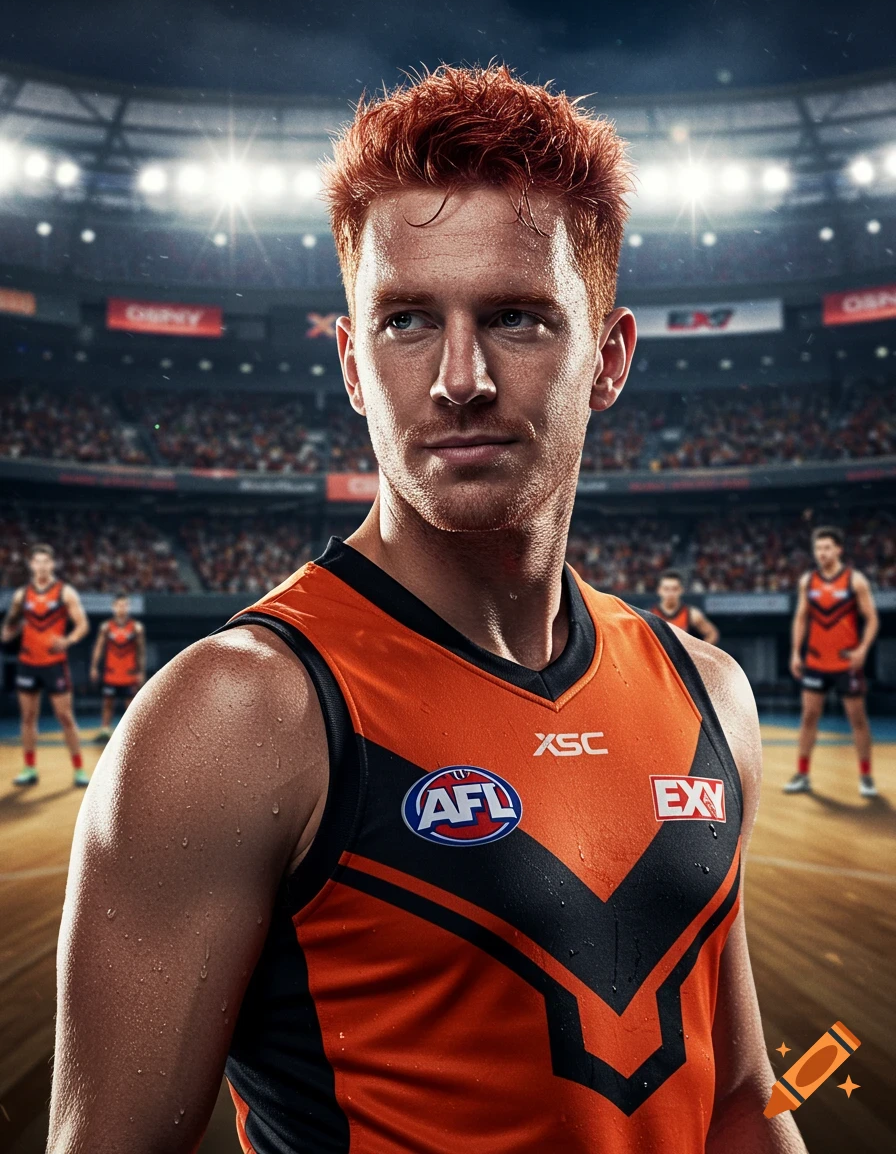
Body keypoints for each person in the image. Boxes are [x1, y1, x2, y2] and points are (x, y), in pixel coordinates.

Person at [50, 67, 804, 1154]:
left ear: (608, 360)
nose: (458, 377)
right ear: (353, 364)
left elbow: (739, 1100)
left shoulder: (708, 695)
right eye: (405, 320)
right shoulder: (238, 717)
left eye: (515, 317)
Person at [785, 525, 879, 798]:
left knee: (857, 719)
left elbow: (872, 619)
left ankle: (866, 777)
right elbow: (801, 618)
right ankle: (802, 774)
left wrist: (862, 650)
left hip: (846, 663)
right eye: (818, 548)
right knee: (808, 717)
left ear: (838, 549)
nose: (822, 553)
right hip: (815, 661)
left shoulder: (855, 581)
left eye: (827, 547)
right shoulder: (808, 581)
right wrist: (795, 652)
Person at [1, 543, 90, 787]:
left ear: (52, 564)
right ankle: (29, 768)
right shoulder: (21, 595)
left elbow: (82, 625)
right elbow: (8, 631)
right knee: (28, 717)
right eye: (37, 561)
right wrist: (10, 630)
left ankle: (79, 770)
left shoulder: (65, 592)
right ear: (31, 565)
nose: (41, 566)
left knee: (65, 717)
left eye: (45, 561)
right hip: (28, 663)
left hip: (54, 664)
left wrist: (68, 640)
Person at [89, 591, 146, 744]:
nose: (122, 608)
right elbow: (99, 647)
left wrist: (141, 671)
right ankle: (105, 731)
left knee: (130, 705)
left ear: (128, 607)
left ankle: (133, 733)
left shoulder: (136, 628)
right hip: (111, 672)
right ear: (113, 607)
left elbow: (140, 651)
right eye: (119, 605)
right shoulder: (106, 627)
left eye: (125, 605)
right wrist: (94, 666)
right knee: (108, 702)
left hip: (129, 673)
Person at [651, 569, 719, 644]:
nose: (670, 593)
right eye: (666, 589)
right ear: (659, 590)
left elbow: (712, 634)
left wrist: (699, 650)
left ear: (681, 590)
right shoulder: (650, 615)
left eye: (675, 589)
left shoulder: (692, 614)